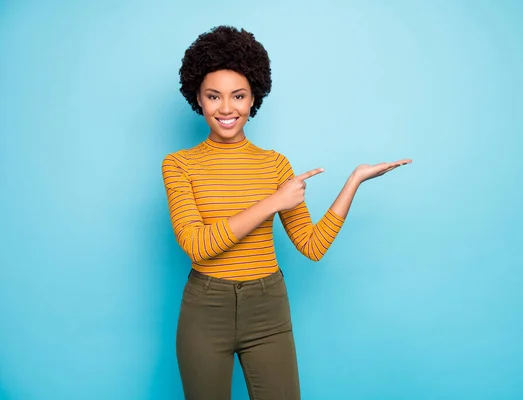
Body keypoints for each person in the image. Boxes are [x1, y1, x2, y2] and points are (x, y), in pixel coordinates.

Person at [162, 25, 412, 400]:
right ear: (197, 98)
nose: (226, 108)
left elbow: (312, 246)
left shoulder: (275, 165)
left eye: (238, 96)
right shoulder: (179, 165)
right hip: (205, 310)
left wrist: (354, 181)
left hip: (268, 309)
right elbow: (197, 246)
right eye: (214, 96)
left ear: (253, 100)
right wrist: (273, 202)